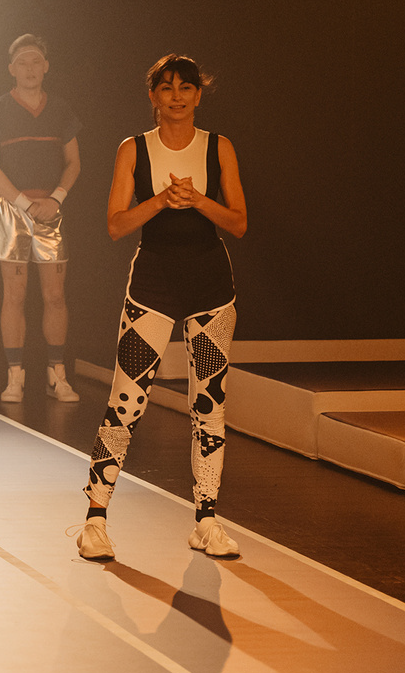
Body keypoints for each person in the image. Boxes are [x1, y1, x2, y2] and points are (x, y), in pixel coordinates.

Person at [76, 54, 247, 561]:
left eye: (186, 87)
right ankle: (94, 521)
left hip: (211, 285)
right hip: (153, 283)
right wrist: (160, 201)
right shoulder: (134, 149)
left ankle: (206, 521)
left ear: (198, 95)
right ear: (153, 96)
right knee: (125, 403)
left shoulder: (219, 147)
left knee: (209, 405)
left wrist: (197, 201)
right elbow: (115, 224)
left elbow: (238, 222)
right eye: (167, 87)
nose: (177, 96)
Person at [0, 33, 82, 403]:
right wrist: (24, 204)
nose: (30, 69)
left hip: (51, 209)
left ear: (46, 66)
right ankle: (15, 376)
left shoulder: (61, 110)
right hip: (11, 210)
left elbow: (74, 163)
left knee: (55, 295)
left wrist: (55, 198)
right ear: (11, 69)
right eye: (22, 62)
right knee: (14, 294)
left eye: (36, 61)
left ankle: (57, 374)